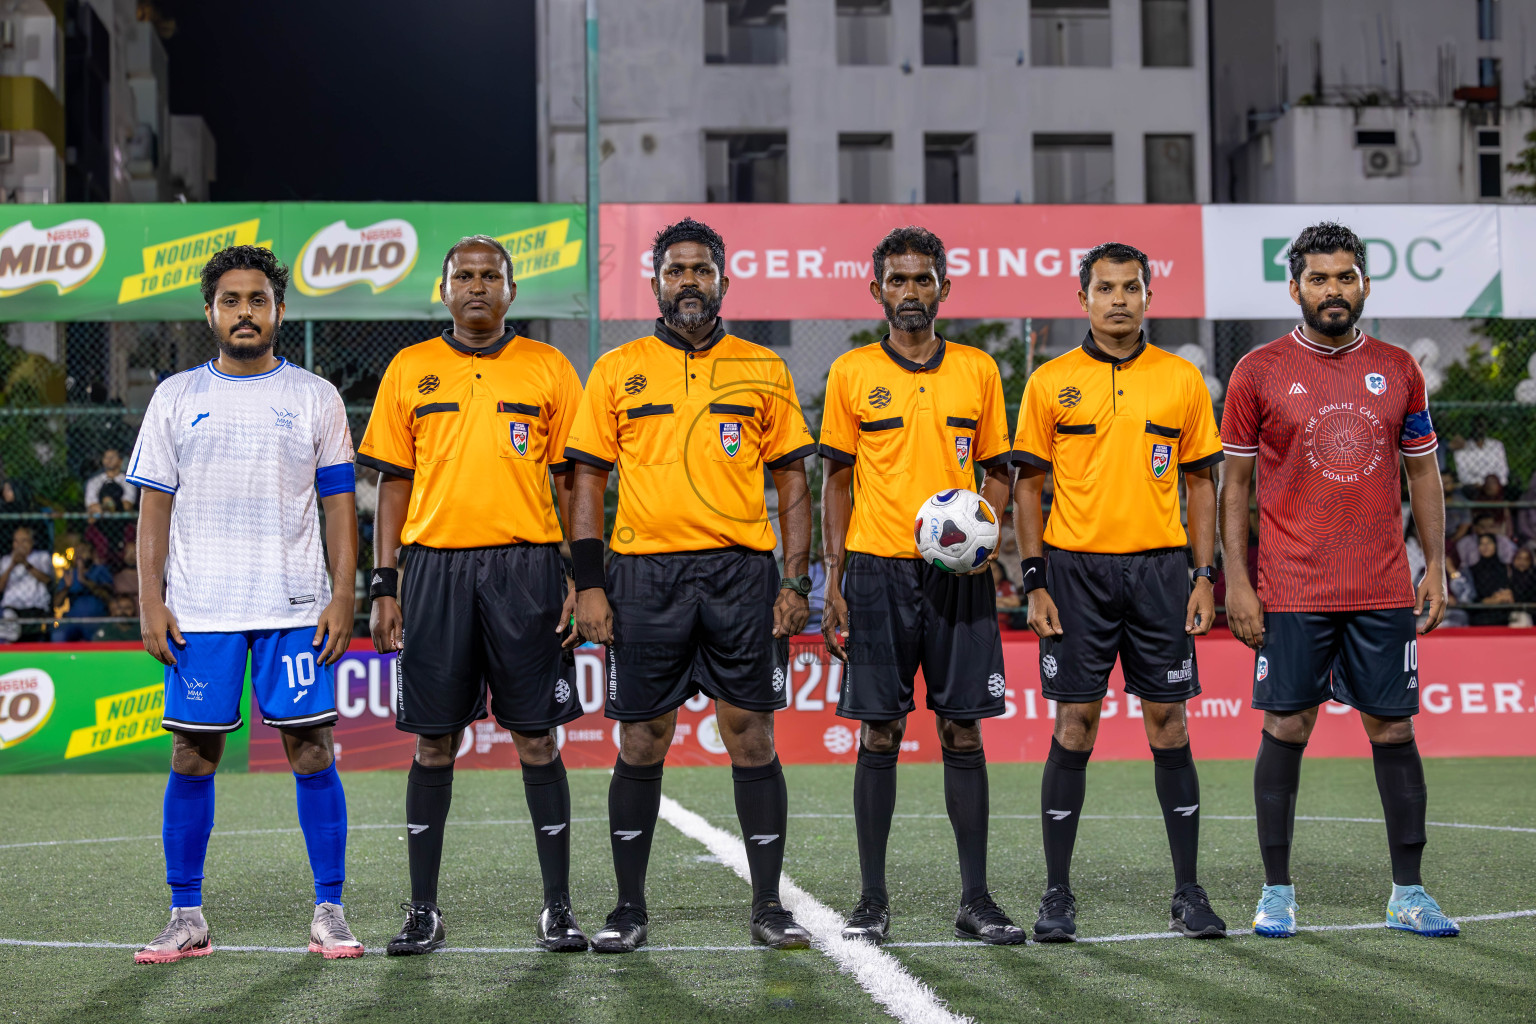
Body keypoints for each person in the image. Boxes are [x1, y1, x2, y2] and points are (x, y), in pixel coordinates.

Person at [567, 218, 817, 953]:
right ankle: (628, 908)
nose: (688, 282)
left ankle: (769, 906)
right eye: (676, 270)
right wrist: (589, 584)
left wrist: (796, 579)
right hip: (645, 577)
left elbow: (792, 480)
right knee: (643, 738)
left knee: (752, 734)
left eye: (701, 270)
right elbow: (587, 478)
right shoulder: (617, 369)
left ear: (722, 281)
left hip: (742, 575)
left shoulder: (763, 368)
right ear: (655, 282)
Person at [1219, 221, 1458, 940]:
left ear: (1363, 284)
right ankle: (1277, 892)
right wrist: (1237, 578)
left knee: (1393, 727)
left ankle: (1409, 893)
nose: (1333, 290)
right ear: (1294, 288)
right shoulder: (1256, 371)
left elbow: (1422, 470)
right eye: (1319, 279)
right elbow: (1234, 484)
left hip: (1383, 583)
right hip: (1292, 588)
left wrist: (1435, 563)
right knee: (1286, 724)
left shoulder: (1398, 368)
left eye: (1345, 276)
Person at [127, 245, 362, 963]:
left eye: (257, 300)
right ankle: (186, 914)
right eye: (230, 300)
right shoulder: (175, 396)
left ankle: (330, 909)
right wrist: (150, 599)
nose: (244, 312)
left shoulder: (315, 395)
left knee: (310, 748)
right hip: (201, 609)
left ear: (279, 311)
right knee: (193, 756)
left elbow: (341, 507)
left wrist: (344, 593)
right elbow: (152, 510)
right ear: (210, 312)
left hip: (295, 605)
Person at [357, 236, 588, 956]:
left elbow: (574, 484)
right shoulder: (410, 368)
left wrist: (584, 578)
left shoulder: (549, 367)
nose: (478, 286)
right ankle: (422, 909)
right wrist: (384, 584)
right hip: (432, 573)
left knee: (536, 737)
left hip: (527, 571)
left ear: (512, 291)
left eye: (492, 276)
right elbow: (392, 484)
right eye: (466, 276)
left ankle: (558, 907)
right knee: (433, 742)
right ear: (444, 287)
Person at [1012, 241, 1226, 943]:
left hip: (1162, 573)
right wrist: (1035, 579)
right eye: (1105, 289)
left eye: (1131, 287)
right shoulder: (1050, 382)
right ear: (1083, 299)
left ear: (1148, 296)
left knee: (1169, 724)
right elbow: (1031, 487)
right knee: (1075, 726)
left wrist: (1204, 575)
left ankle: (1189, 892)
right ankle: (1056, 894)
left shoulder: (1182, 380)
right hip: (1075, 575)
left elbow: (1201, 483)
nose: (1118, 300)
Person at [817, 226, 1022, 946]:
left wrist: (987, 538)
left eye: (923, 279)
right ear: (876, 290)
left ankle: (977, 898)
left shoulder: (979, 370)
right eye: (897, 280)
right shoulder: (850, 374)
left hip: (957, 577)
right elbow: (835, 480)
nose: (911, 291)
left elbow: (999, 467)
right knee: (882, 729)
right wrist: (833, 577)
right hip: (875, 572)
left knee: (962, 729)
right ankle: (872, 900)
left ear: (944, 287)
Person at [0, 526, 55, 640]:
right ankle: (9, 634)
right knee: (7, 615)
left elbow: (47, 580)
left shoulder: (41, 557)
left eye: (24, 540)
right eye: (16, 541)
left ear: (32, 542)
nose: (19, 545)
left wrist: (26, 564)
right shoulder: (5, 560)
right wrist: (11, 566)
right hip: (11, 607)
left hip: (35, 605)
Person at [52, 543, 115, 642]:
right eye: (77, 552)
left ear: (92, 554)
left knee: (100, 638)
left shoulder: (100, 570)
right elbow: (57, 604)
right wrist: (66, 588)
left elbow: (107, 596)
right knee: (58, 635)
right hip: (73, 620)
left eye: (83, 551)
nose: (79, 555)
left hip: (96, 620)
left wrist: (84, 580)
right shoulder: (69, 574)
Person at [85, 481, 137, 571]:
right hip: (101, 568)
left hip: (125, 568)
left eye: (110, 504)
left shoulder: (128, 526)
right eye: (104, 504)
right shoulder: (95, 527)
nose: (107, 508)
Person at [1466, 536, 1514, 626]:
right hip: (1478, 612)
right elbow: (1470, 597)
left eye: (1489, 543)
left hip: (1502, 611)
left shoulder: (1506, 568)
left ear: (1495, 546)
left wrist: (1504, 596)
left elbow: (1509, 592)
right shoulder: (1472, 570)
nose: (1485, 547)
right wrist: (1488, 601)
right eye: (1482, 544)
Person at [1450, 417, 1507, 489]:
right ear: (1471, 428)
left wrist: (1495, 483)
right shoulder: (1462, 450)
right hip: (1474, 487)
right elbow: (1463, 475)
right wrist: (1482, 484)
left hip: (1496, 486)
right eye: (1475, 426)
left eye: (1481, 425)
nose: (1478, 429)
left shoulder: (1497, 445)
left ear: (1486, 427)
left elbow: (1502, 470)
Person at [85, 448, 138, 519]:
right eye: (106, 457)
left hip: (121, 520)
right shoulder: (94, 481)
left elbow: (127, 505)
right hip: (100, 520)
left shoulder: (128, 481)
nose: (108, 460)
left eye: (112, 457)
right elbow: (92, 506)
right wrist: (109, 506)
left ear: (120, 461)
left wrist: (109, 505)